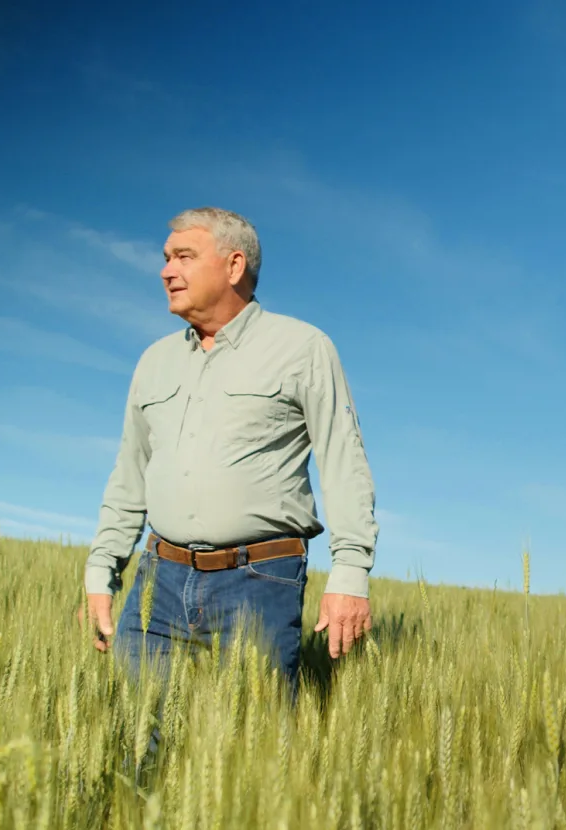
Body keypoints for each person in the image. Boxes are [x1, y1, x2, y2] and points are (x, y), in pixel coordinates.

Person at [82, 206, 379, 694]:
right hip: (157, 582)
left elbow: (344, 463)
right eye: (165, 257)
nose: (165, 270)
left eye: (183, 256)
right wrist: (102, 571)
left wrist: (350, 574)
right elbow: (129, 474)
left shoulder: (302, 347)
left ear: (234, 265)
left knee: (250, 745)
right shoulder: (154, 362)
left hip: (259, 583)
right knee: (139, 752)